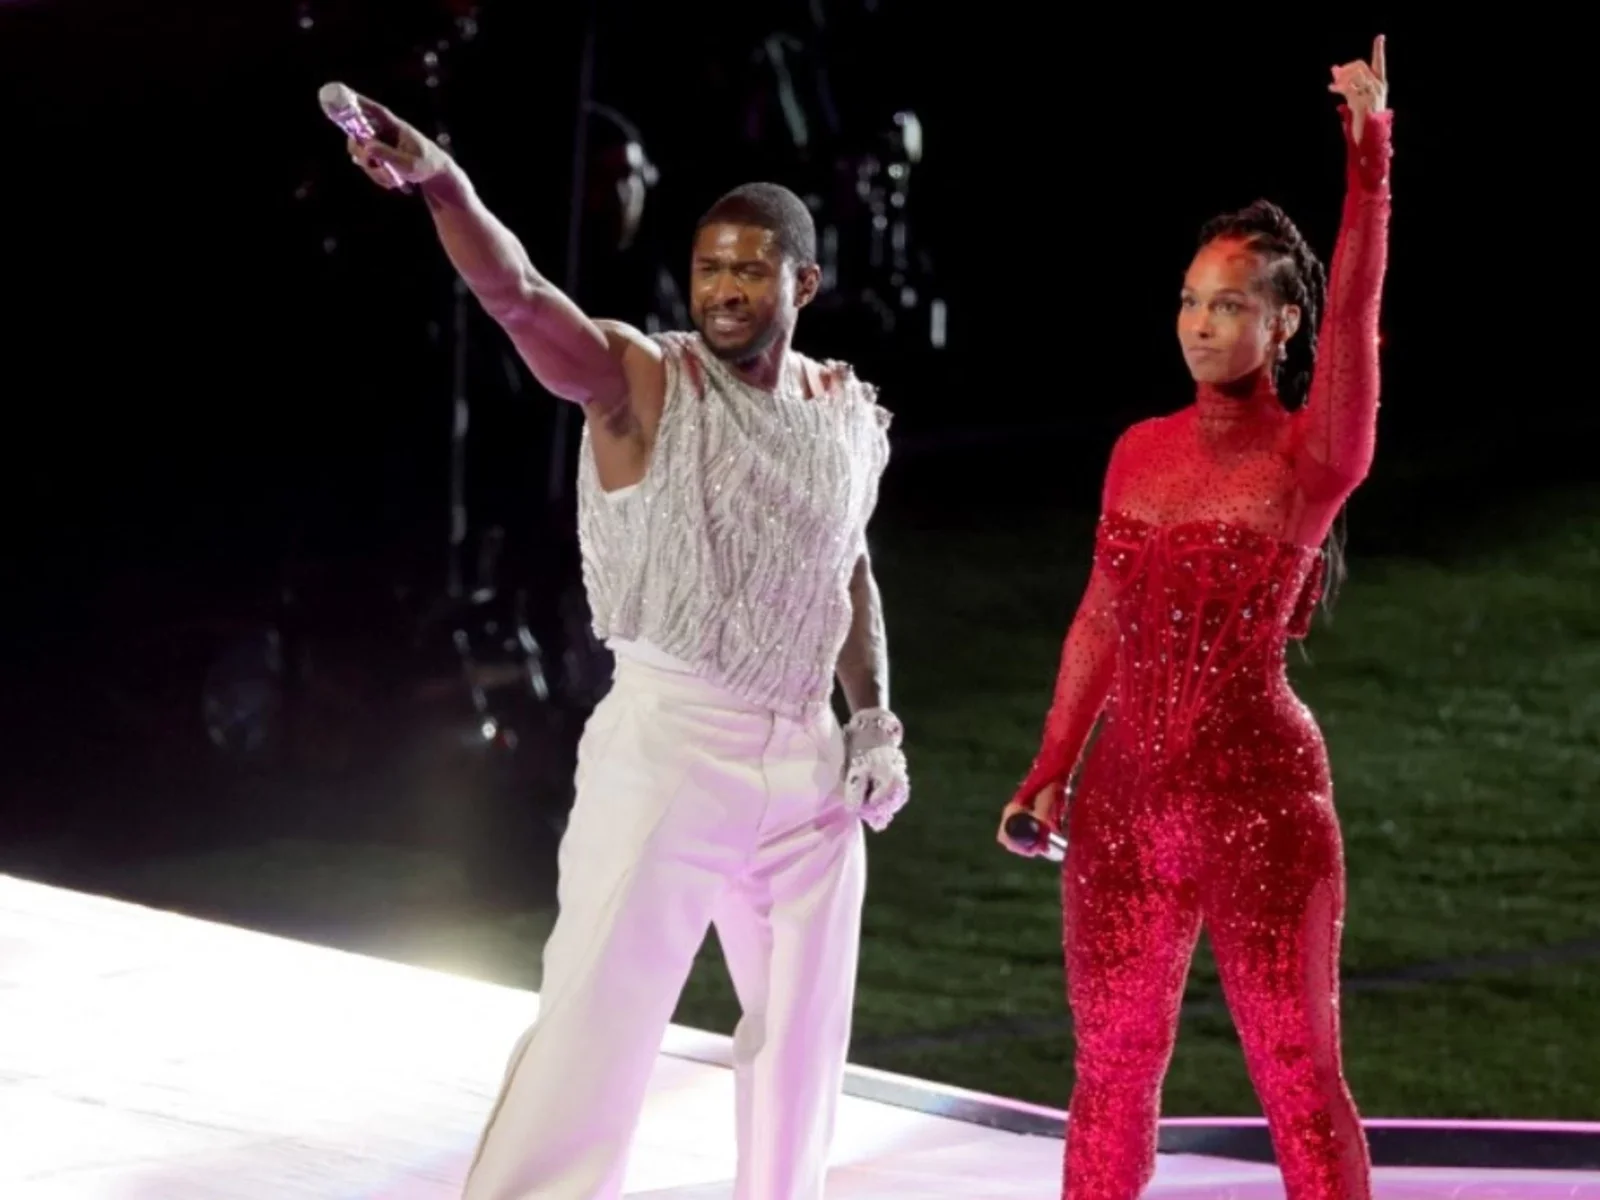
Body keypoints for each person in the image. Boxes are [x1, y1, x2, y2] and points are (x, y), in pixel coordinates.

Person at [330, 89, 910, 1200]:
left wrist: (873, 718)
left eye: (750, 271)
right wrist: (444, 184)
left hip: (808, 766)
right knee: (595, 1027)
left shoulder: (843, 410)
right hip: (669, 744)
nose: (723, 290)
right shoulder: (643, 381)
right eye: (709, 269)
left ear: (803, 284)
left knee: (802, 1049)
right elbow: (518, 296)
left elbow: (848, 565)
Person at [997, 36, 1392, 1200]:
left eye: (1229, 305)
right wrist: (1050, 768)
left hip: (1261, 802)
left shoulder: (1313, 457)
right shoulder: (1138, 451)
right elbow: (1099, 617)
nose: (1200, 323)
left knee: (1297, 1076)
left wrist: (1369, 160)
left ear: (1282, 326)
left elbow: (1357, 311)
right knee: (1109, 1075)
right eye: (1188, 300)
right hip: (1122, 807)